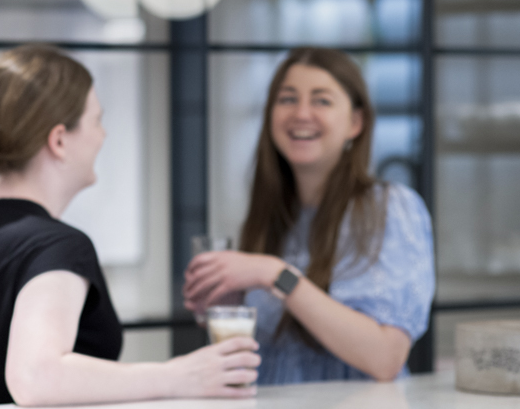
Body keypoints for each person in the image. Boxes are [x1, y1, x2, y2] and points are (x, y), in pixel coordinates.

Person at [0, 45, 260, 407]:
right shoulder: (58, 246)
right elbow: (36, 377)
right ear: (59, 141)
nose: (103, 135)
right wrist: (180, 376)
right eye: (96, 120)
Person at [183, 47, 434, 384]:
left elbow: (385, 358)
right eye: (287, 99)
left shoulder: (389, 208)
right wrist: (230, 300)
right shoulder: (272, 215)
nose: (301, 113)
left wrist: (275, 274)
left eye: (322, 101)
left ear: (355, 122)